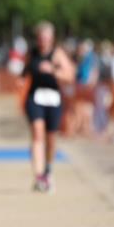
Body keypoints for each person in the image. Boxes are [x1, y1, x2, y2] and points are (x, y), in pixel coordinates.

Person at [22, 21, 76, 193]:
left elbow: (70, 76)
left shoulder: (57, 54)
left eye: (47, 38)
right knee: (37, 134)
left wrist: (52, 69)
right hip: (35, 97)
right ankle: (38, 176)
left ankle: (48, 168)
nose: (43, 41)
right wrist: (20, 79)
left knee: (51, 138)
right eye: (41, 38)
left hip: (53, 99)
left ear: (52, 39)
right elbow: (24, 72)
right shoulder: (32, 53)